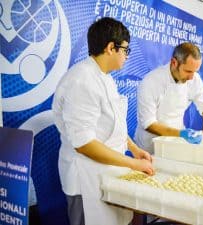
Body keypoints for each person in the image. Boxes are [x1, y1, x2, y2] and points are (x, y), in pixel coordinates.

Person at [52, 17, 154, 225]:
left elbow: (111, 125)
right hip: (85, 178)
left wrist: (133, 148)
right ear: (110, 47)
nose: (126, 56)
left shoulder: (105, 78)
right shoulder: (81, 81)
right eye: (125, 50)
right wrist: (133, 164)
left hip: (105, 173)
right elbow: (84, 144)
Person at [134, 42, 203, 154]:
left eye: (194, 72)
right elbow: (148, 124)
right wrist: (182, 134)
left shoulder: (194, 78)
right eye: (188, 71)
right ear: (174, 62)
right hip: (149, 147)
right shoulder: (151, 82)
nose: (191, 77)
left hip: (177, 143)